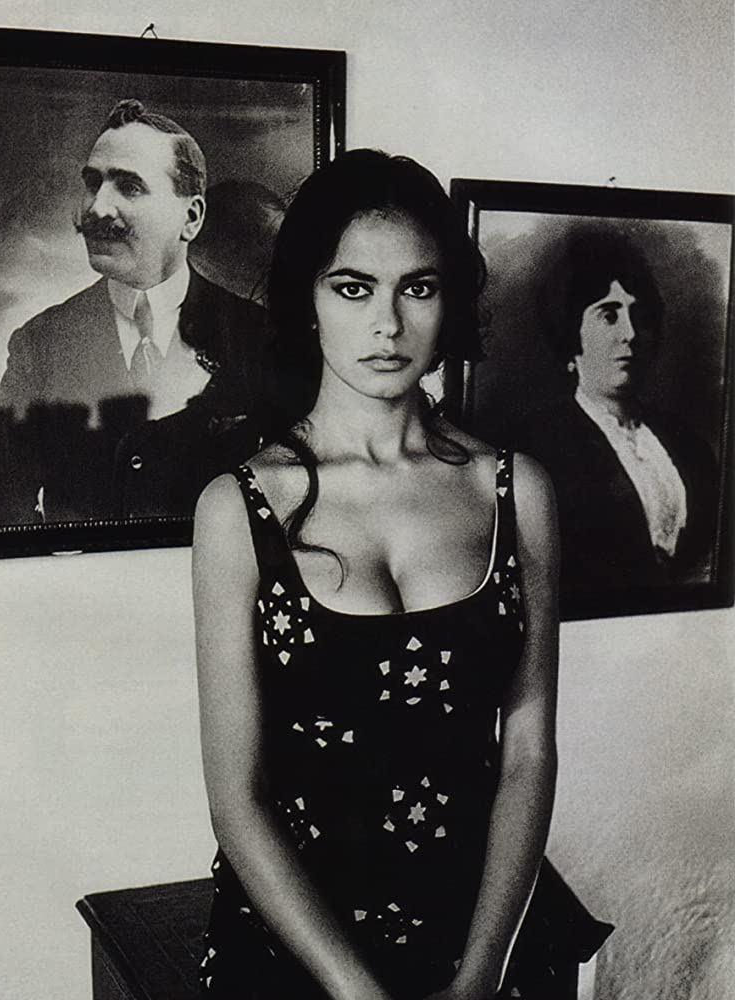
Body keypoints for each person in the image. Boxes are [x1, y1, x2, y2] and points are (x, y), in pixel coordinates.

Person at [192, 150, 612, 999]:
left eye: (417, 288)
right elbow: (237, 799)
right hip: (298, 954)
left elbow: (528, 751)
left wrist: (482, 973)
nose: (387, 324)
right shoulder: (240, 506)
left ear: (448, 301)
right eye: (353, 288)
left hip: (479, 940)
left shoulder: (516, 490)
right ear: (307, 301)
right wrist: (357, 993)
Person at [0, 99, 272, 525]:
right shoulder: (39, 342)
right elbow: (0, 505)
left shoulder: (259, 336)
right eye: (93, 183)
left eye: (129, 186)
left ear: (191, 218)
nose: (96, 209)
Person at [520, 227, 718, 600]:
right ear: (571, 331)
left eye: (639, 316)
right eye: (609, 316)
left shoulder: (690, 446)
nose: (630, 333)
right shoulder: (537, 448)